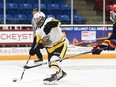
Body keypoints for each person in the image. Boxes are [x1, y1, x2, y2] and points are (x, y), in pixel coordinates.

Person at [29, 12, 67, 84]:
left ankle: (54, 78)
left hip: (60, 45)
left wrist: (48, 26)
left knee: (54, 60)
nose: (36, 21)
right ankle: (60, 74)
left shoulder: (49, 20)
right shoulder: (38, 31)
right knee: (52, 65)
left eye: (37, 19)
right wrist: (33, 49)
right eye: (35, 20)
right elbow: (38, 42)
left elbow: (57, 23)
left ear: (42, 19)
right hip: (49, 49)